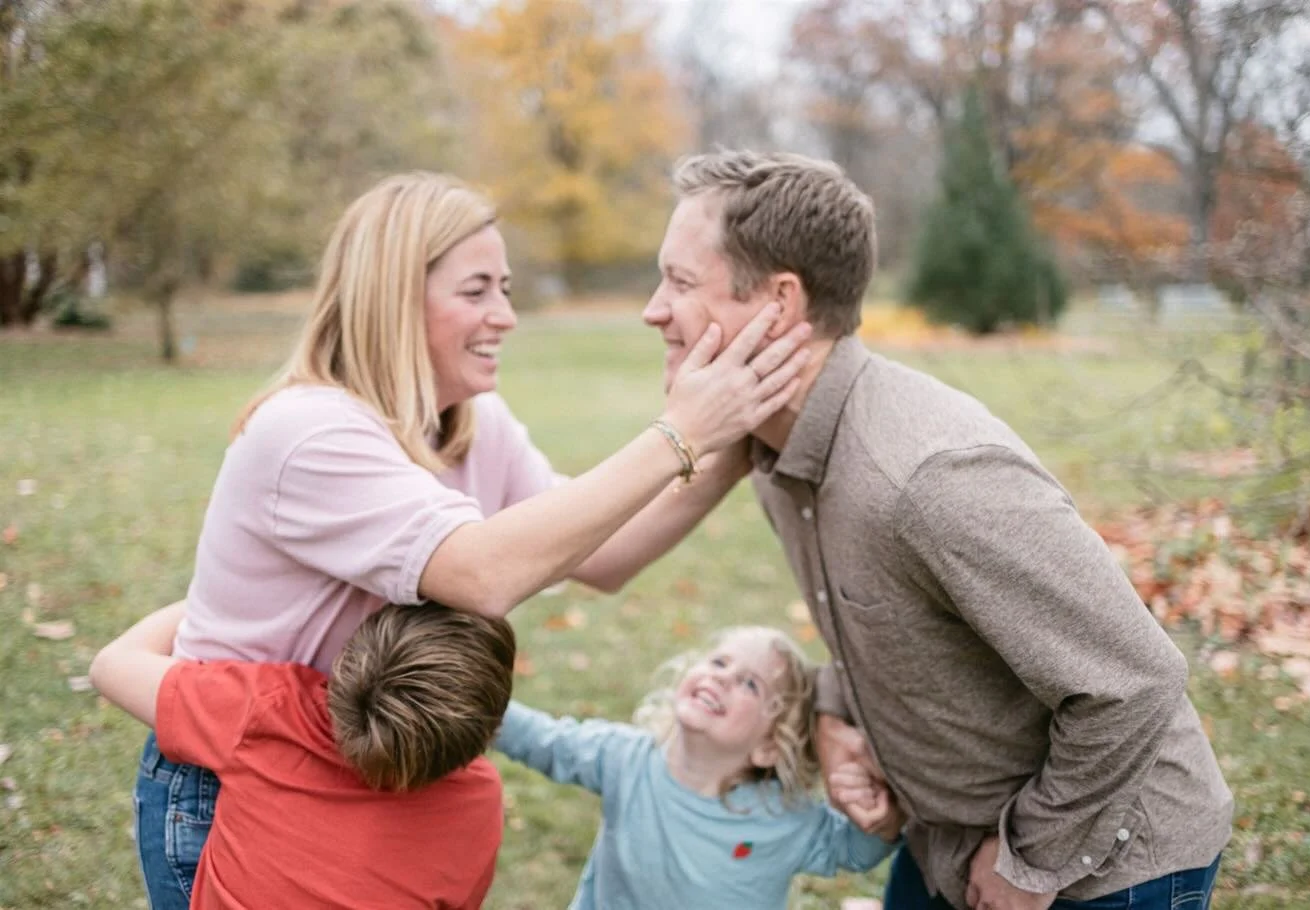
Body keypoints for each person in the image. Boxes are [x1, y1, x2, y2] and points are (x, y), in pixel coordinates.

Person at [132, 171, 812, 910]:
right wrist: (683, 433)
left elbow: (600, 552)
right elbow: (480, 574)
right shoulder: (310, 431)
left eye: (506, 289)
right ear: (392, 297)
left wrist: (733, 446)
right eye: (476, 290)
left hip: (370, 760)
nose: (504, 316)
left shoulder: (471, 421)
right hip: (245, 771)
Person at [639, 150, 1234, 910]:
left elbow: (1134, 683)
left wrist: (1031, 861)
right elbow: (886, 616)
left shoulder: (926, 475)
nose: (654, 309)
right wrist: (833, 707)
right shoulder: (775, 448)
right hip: (947, 842)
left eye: (680, 281)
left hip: (1103, 865)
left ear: (778, 305)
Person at [91, 600, 515, 908]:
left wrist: (216, 603)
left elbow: (112, 666)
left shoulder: (275, 711)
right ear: (489, 727)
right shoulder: (479, 800)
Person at [494, 626, 902, 909]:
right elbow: (544, 742)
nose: (722, 678)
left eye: (750, 684)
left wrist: (881, 819)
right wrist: (471, 699)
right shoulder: (625, 758)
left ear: (768, 746)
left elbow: (853, 848)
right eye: (719, 662)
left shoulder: (784, 817)